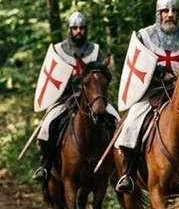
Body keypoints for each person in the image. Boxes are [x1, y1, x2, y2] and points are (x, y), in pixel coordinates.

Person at [114, 0, 179, 193]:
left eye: (174, 11)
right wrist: (154, 71)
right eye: (165, 11)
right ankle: (128, 172)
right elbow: (135, 65)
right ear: (158, 14)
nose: (169, 14)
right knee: (132, 123)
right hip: (151, 92)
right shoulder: (144, 36)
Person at [33, 11, 119, 181]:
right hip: (65, 98)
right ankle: (45, 165)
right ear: (70, 30)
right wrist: (70, 84)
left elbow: (102, 71)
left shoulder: (94, 50)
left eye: (81, 28)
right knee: (47, 126)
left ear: (86, 29)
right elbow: (54, 76)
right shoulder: (59, 50)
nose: (78, 31)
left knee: (117, 122)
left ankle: (117, 166)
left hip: (93, 97)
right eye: (75, 28)